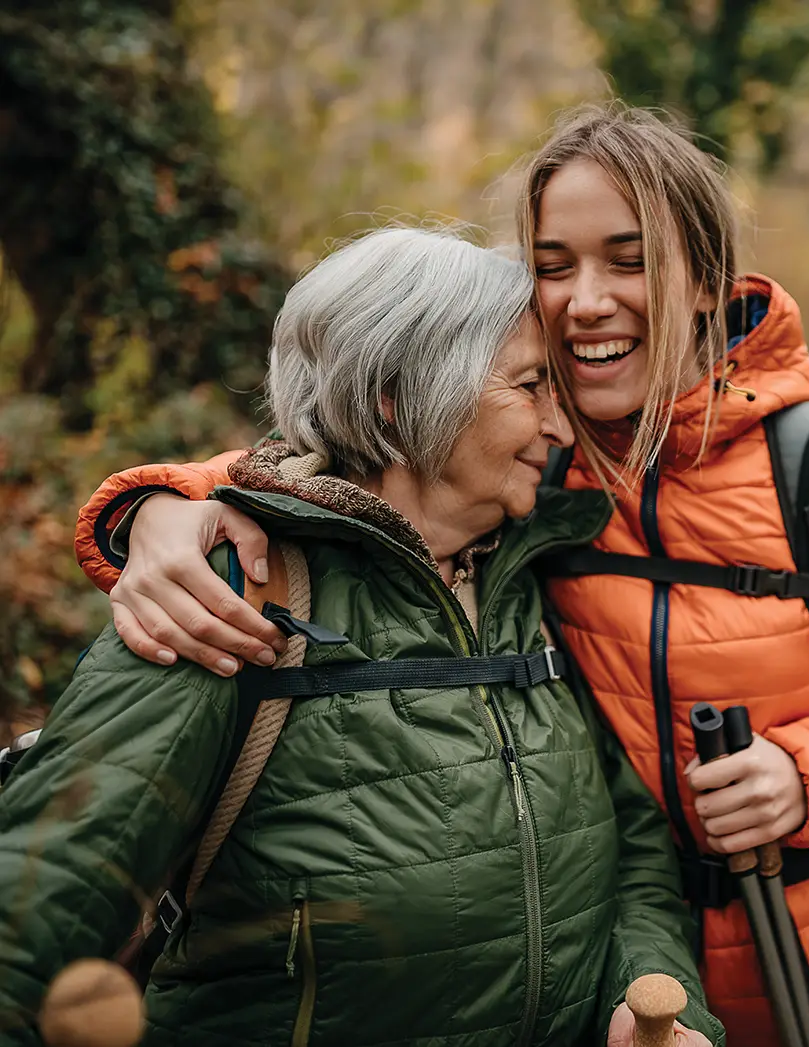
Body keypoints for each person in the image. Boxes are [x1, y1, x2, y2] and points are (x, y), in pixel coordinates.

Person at [72, 104, 809, 1047]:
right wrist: (161, 504)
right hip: (593, 987)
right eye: (553, 266)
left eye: (628, 260)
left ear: (709, 277)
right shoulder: (523, 456)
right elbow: (339, 461)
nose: (584, 300)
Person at [0, 226, 723, 1047]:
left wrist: (650, 1000)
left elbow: (631, 855)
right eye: (530, 386)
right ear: (398, 397)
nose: (562, 427)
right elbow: (37, 906)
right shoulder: (231, 594)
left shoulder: (532, 586)